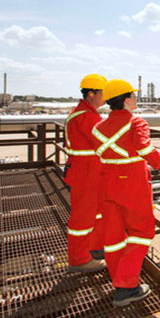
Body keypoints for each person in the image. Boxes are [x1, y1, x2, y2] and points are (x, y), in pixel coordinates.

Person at [91, 79, 160, 307]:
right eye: (133, 95)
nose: (136, 99)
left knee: (113, 237)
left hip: (106, 183)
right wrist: (158, 162)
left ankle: (118, 280)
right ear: (125, 99)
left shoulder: (98, 127)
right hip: (132, 183)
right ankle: (127, 286)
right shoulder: (136, 122)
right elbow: (143, 147)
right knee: (142, 232)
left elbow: (100, 150)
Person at [65, 74, 108, 273]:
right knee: (83, 217)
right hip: (85, 174)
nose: (105, 98)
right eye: (103, 94)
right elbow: (105, 142)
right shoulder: (85, 116)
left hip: (90, 172)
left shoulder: (86, 113)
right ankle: (79, 260)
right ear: (91, 94)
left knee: (96, 213)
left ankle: (94, 248)